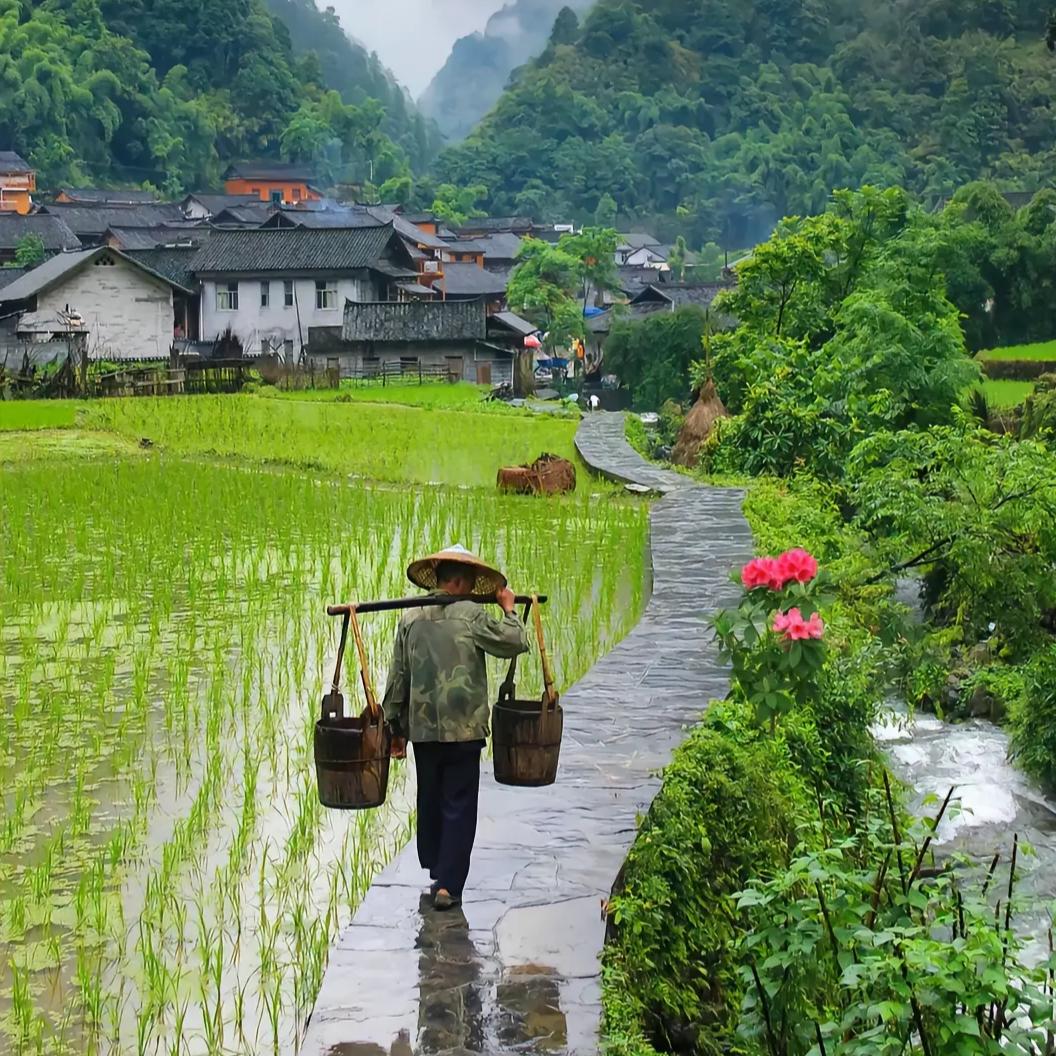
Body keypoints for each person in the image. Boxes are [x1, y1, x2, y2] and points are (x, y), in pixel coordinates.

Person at [382, 544, 529, 910]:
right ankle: (448, 883)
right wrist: (510, 610)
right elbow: (514, 641)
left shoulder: (410, 616)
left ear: (440, 580)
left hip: (425, 731)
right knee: (459, 803)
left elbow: (398, 676)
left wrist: (394, 727)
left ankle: (436, 865)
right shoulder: (471, 615)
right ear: (461, 583)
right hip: (463, 730)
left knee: (430, 796)